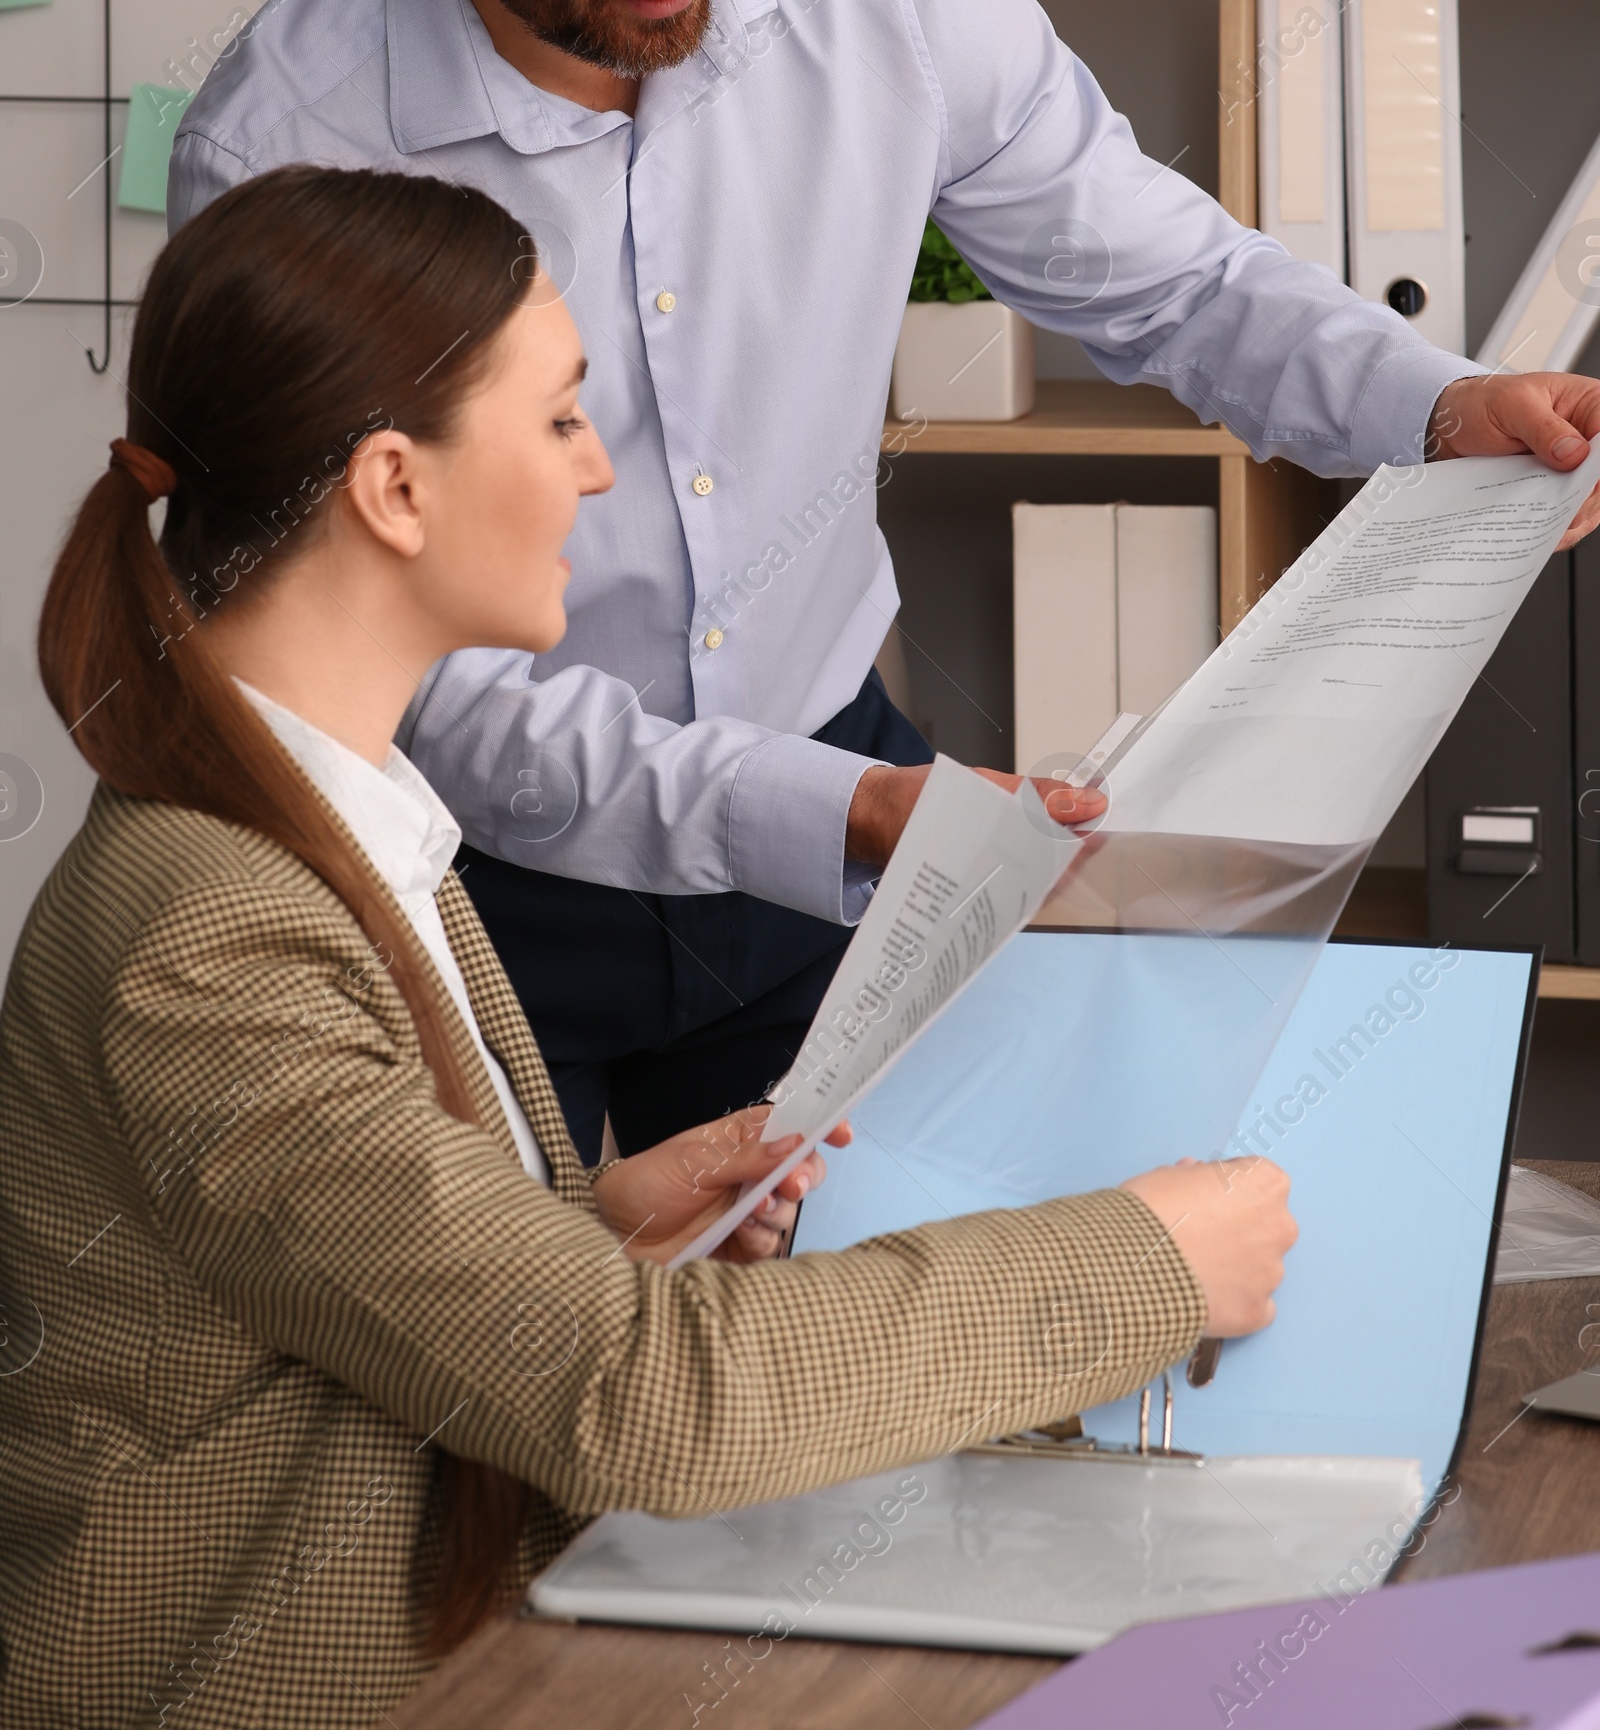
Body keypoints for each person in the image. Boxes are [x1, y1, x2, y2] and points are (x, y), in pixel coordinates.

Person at [168, 0, 1600, 1164]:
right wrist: (832, 814)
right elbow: (412, 685)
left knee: (885, 1356)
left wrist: (1433, 408)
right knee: (516, 1397)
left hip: (841, 807)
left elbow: (1165, 274)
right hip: (459, 864)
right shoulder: (288, 149)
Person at [0, 165, 1293, 1730]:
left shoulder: (342, 832)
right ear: (396, 488)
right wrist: (1149, 1266)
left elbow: (333, 1293)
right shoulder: (212, 937)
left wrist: (588, 1227)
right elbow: (645, 1401)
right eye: (557, 420)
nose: (602, 472)